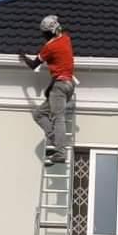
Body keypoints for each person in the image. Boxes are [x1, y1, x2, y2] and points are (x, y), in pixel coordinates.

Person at [19, 15, 75, 164]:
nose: (43, 36)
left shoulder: (49, 47)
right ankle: (56, 139)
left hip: (60, 85)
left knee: (58, 118)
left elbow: (34, 65)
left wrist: (24, 57)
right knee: (38, 114)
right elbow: (60, 61)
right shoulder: (66, 39)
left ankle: (60, 152)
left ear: (48, 32)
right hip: (68, 85)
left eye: (44, 34)